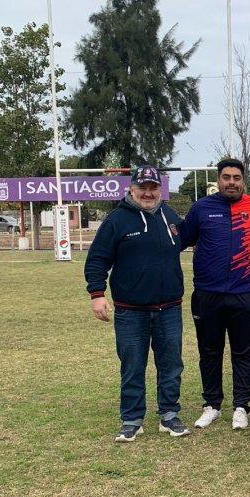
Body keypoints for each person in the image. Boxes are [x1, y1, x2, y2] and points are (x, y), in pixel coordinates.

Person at [85, 165, 187, 442]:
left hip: (169, 308)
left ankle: (169, 415)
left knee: (171, 365)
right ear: (131, 188)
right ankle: (131, 419)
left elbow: (188, 239)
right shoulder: (117, 220)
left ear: (160, 190)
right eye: (143, 187)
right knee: (132, 366)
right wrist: (97, 294)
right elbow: (97, 259)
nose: (148, 192)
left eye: (153, 187)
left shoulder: (169, 216)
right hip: (131, 311)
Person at [179, 158, 250, 431]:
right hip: (207, 294)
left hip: (244, 293)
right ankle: (212, 405)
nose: (231, 182)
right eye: (226, 177)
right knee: (209, 351)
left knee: (244, 352)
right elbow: (181, 240)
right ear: (218, 180)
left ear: (244, 181)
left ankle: (241, 406)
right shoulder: (201, 208)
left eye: (236, 177)